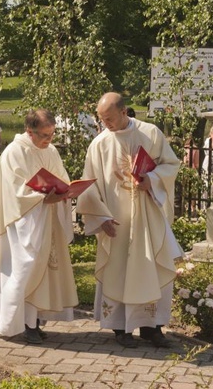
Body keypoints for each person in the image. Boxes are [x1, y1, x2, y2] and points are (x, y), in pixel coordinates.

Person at [76, 92, 182, 349]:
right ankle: (119, 328)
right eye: (102, 119)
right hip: (117, 221)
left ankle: (152, 328)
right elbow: (88, 186)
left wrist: (152, 180)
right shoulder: (99, 144)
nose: (105, 124)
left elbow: (171, 164)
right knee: (120, 271)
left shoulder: (151, 134)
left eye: (109, 118)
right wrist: (101, 218)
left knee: (152, 270)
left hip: (148, 217)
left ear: (124, 112)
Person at [0, 109, 79, 344]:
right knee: (24, 271)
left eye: (51, 134)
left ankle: (36, 321)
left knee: (46, 272)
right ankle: (21, 323)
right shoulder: (14, 152)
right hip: (22, 226)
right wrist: (42, 199)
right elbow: (15, 193)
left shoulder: (50, 151)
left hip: (46, 219)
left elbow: (61, 177)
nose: (49, 140)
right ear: (29, 131)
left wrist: (66, 191)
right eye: (44, 135)